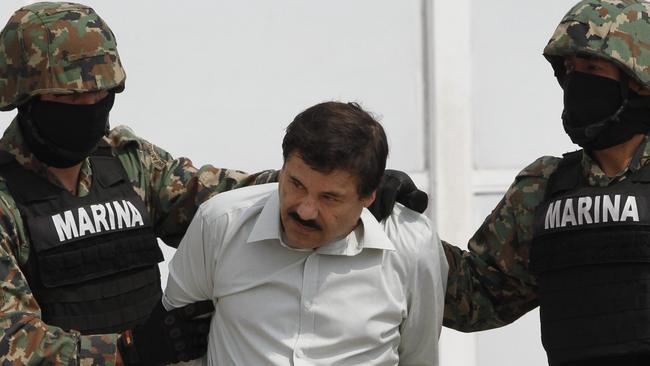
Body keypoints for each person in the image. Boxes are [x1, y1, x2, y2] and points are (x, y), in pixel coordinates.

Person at [0, 3, 427, 365]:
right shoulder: (6, 198)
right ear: (25, 97)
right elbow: (11, 343)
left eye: (103, 95)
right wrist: (126, 353)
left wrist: (331, 184)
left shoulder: (125, 161)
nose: (91, 109)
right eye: (73, 99)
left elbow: (219, 196)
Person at [442, 0, 650, 365]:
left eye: (591, 68)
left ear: (639, 81)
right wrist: (387, 220)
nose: (575, 81)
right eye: (568, 69)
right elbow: (477, 295)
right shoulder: (544, 188)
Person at [163, 101, 448, 366]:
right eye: (296, 184)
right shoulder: (220, 224)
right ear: (283, 168)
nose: (306, 210)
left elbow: (419, 357)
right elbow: (174, 347)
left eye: (330, 198)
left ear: (368, 197)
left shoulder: (412, 244)